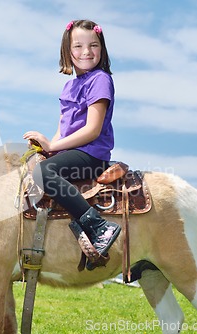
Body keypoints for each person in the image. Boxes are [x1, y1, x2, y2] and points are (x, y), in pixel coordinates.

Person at [23, 19, 120, 262]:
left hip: (92, 154)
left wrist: (53, 146)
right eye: (78, 46)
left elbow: (92, 130)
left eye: (93, 45)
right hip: (73, 151)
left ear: (102, 49)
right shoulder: (69, 87)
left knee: (43, 174)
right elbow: (62, 130)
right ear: (67, 51)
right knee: (35, 167)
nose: (86, 52)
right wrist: (46, 149)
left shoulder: (100, 80)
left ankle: (98, 226)